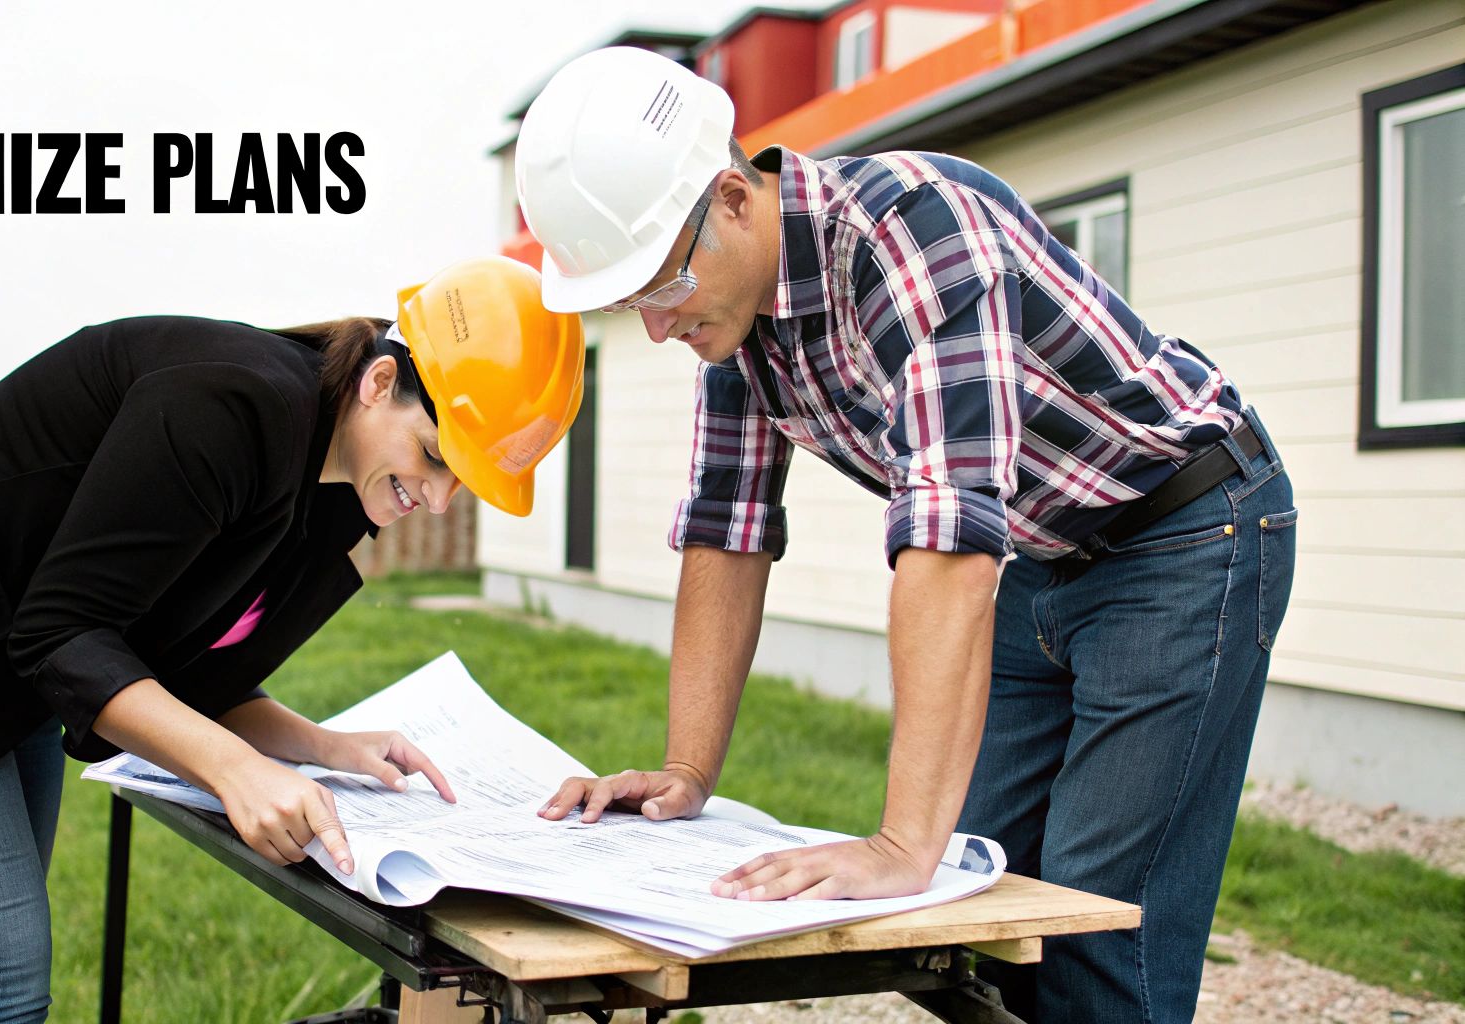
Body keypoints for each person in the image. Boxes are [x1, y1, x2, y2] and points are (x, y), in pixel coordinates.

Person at [516, 47, 1296, 1023]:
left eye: (660, 286)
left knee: (1091, 922)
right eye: (630, 300)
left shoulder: (911, 231)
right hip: (1042, 549)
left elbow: (947, 540)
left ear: (729, 197)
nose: (656, 327)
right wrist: (684, 773)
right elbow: (726, 533)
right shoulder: (735, 325)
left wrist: (895, 842)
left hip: (1182, 526)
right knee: (972, 900)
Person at [0, 255, 584, 1024]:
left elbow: (178, 669)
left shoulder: (330, 485)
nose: (437, 500)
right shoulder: (229, 407)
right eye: (436, 457)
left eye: (461, 482)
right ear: (378, 383)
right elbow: (63, 633)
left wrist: (320, 746)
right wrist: (236, 772)